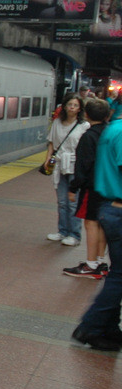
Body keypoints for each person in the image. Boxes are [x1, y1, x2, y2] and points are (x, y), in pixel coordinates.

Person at [72, 117, 122, 352]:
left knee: (118, 274)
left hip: (110, 207)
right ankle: (91, 327)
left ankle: (109, 327)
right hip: (118, 209)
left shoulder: (114, 128)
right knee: (120, 276)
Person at [65, 98, 110, 278]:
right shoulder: (111, 133)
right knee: (103, 224)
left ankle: (91, 265)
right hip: (110, 186)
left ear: (87, 115)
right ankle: (101, 262)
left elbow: (83, 166)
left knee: (91, 223)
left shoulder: (88, 136)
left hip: (93, 187)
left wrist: (73, 188)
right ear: (107, 115)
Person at [45, 93, 89, 246]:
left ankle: (74, 234)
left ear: (79, 108)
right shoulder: (57, 123)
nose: (72, 108)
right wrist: (47, 160)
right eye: (70, 104)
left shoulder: (84, 126)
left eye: (76, 105)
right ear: (64, 106)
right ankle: (62, 231)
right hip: (59, 164)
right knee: (62, 201)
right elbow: (51, 143)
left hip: (74, 165)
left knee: (72, 202)